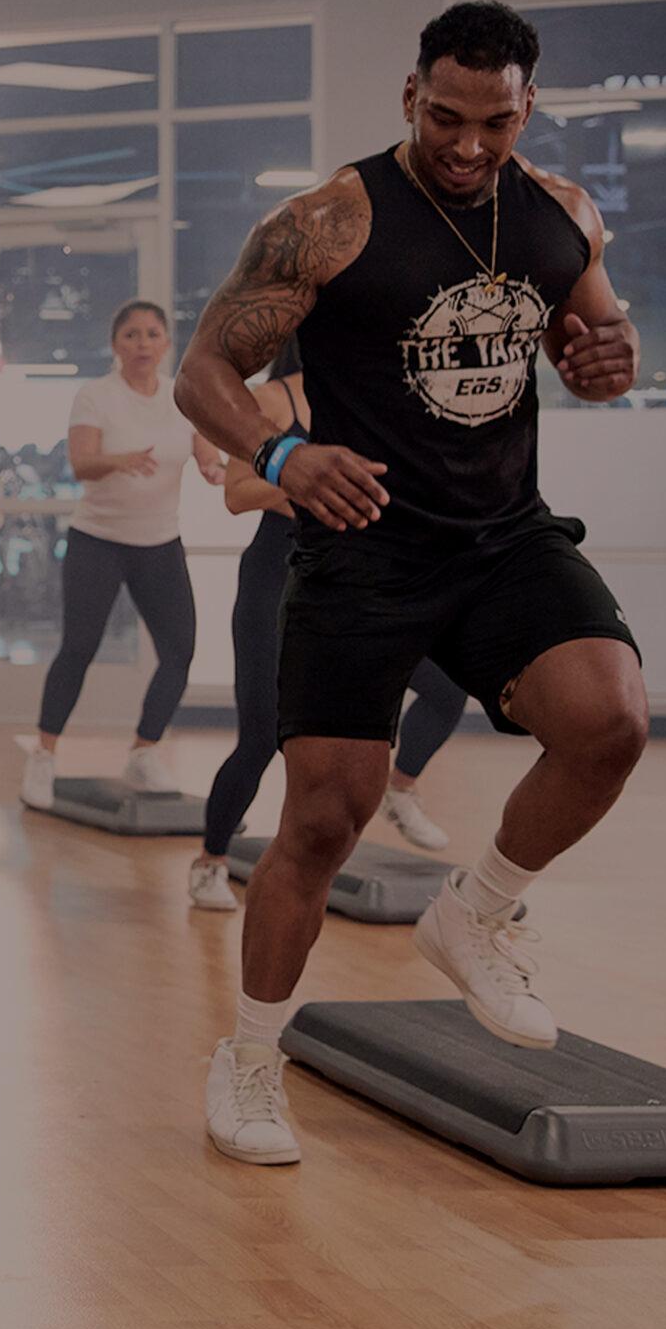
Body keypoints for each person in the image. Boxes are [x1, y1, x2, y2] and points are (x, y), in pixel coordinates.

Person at [178, 1, 646, 1166]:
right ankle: (245, 1064)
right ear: (408, 96)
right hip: (365, 545)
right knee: (323, 822)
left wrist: (610, 361)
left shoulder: (559, 219)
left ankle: (474, 912)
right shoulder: (330, 222)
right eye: (445, 115)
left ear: (525, 107)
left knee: (610, 721)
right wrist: (284, 453)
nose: (467, 143)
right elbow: (202, 371)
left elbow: (594, 352)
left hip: (501, 539)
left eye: (492, 121)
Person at [189, 334, 465, 913]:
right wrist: (307, 483)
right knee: (262, 737)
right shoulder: (268, 401)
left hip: (357, 581)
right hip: (277, 579)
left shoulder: (373, 400)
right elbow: (237, 494)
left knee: (446, 688)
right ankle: (210, 859)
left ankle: (403, 787)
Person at [19, 301, 224, 809]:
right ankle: (43, 756)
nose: (142, 343)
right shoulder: (96, 397)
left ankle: (143, 751)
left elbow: (205, 452)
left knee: (180, 651)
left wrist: (215, 467)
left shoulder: (183, 397)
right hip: (98, 540)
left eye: (152, 334)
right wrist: (118, 459)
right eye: (131, 334)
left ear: (166, 344)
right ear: (116, 345)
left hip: (159, 543)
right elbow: (81, 464)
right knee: (78, 649)